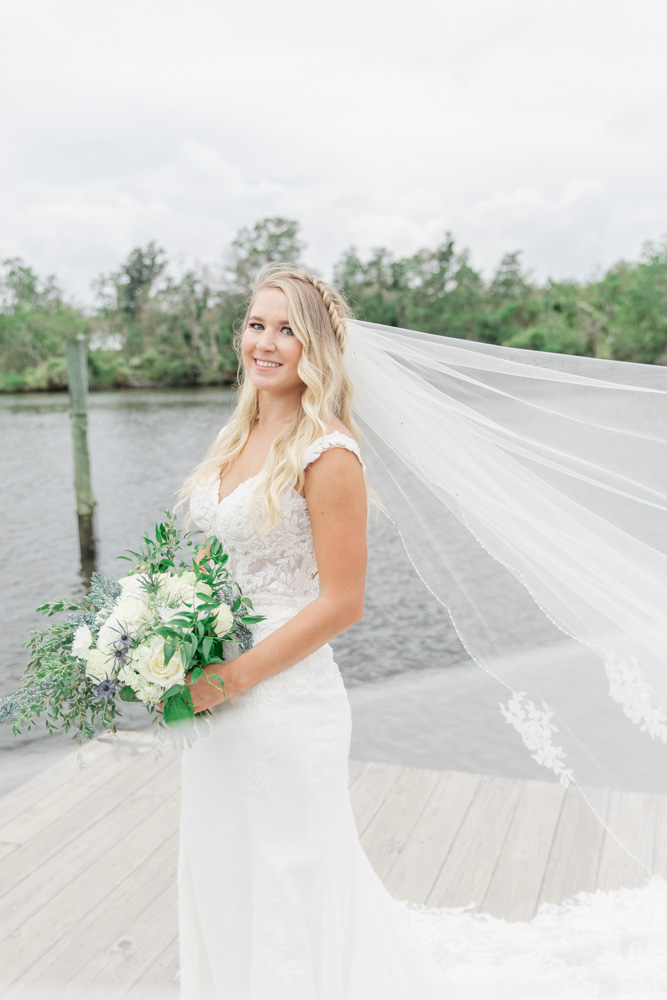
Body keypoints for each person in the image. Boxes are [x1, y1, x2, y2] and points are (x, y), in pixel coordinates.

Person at [174, 264, 667, 999]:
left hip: (280, 698)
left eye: (287, 331)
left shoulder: (327, 452)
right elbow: (219, 566)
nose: (266, 343)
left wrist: (231, 678)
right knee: (221, 859)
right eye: (256, 324)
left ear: (318, 348)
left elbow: (342, 603)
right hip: (215, 694)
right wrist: (169, 637)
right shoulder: (236, 431)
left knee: (287, 870)